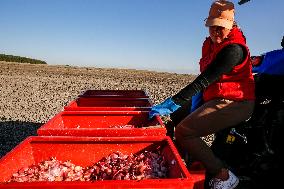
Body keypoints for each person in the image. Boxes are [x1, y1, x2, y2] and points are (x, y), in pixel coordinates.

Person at [149, 1, 255, 189]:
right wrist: (182, 105)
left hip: (236, 102)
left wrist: (175, 100)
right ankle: (185, 161)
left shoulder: (234, 50)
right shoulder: (210, 44)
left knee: (185, 132)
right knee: (178, 115)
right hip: (215, 96)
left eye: (220, 28)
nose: (215, 32)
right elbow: (206, 80)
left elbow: (205, 79)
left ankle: (224, 176)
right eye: (212, 27)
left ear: (230, 26)